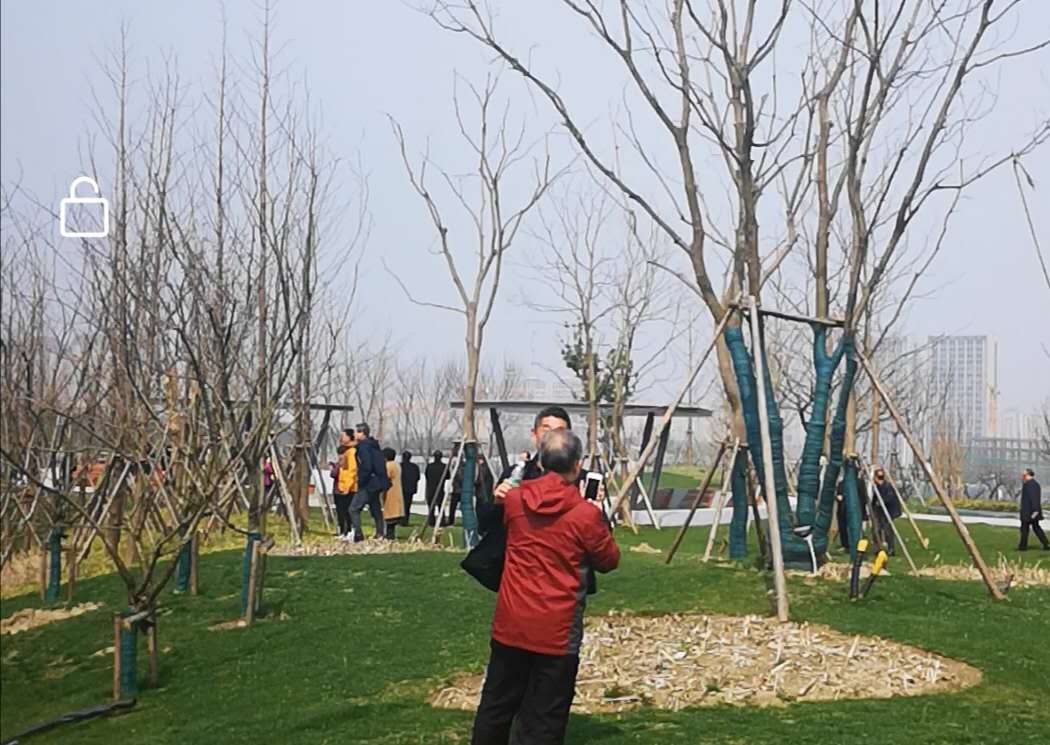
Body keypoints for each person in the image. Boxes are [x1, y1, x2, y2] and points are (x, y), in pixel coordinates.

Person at [471, 428, 620, 745]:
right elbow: (608, 560)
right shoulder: (584, 514)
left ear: (540, 461)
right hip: (557, 628)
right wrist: (597, 515)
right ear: (578, 465)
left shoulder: (515, 501)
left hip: (512, 621)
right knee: (545, 718)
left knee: (496, 707)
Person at [350, 423, 390, 541]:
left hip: (369, 482)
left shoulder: (363, 447)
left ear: (362, 433)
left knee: (354, 509)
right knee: (375, 507)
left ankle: (358, 535)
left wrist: (361, 481)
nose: (355, 434)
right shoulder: (374, 446)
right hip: (379, 481)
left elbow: (366, 466)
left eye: (357, 432)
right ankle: (380, 533)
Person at [329, 429, 357, 541]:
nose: (341, 438)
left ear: (350, 437)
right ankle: (345, 532)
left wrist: (347, 487)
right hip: (342, 486)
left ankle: (350, 531)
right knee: (343, 511)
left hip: (348, 487)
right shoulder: (347, 452)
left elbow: (352, 471)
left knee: (348, 511)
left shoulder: (352, 452)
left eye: (343, 436)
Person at [870, 467, 901, 555]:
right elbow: (874, 499)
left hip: (888, 511)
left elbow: (889, 499)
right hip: (879, 511)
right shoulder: (877, 487)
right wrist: (873, 508)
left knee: (887, 530)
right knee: (876, 529)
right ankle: (877, 547)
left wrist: (881, 502)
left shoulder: (887, 486)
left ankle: (891, 548)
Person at [1018, 468, 1048, 551]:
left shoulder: (1032, 485)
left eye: (1024, 474)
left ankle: (1023, 547)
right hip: (1028, 511)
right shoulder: (1027, 484)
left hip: (1030, 512)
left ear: (1028, 474)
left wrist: (1035, 510)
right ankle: (1045, 544)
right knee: (1032, 528)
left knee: (1028, 528)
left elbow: (1035, 498)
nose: (1022, 476)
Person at [382, 448, 405, 539]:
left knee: (390, 514)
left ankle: (389, 535)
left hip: (390, 492)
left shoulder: (389, 466)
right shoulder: (397, 465)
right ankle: (390, 534)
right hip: (397, 492)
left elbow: (385, 477)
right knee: (393, 513)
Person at [424, 450, 449, 527]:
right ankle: (442, 522)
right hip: (440, 488)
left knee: (431, 507)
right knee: (441, 506)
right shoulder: (444, 466)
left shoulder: (430, 466)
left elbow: (426, 475)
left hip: (431, 489)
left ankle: (431, 522)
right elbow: (448, 476)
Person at [400, 451, 421, 526]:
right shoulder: (414, 467)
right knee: (407, 505)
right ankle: (405, 521)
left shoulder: (400, 466)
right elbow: (418, 477)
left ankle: (400, 520)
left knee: (401, 505)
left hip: (401, 488)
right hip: (410, 489)